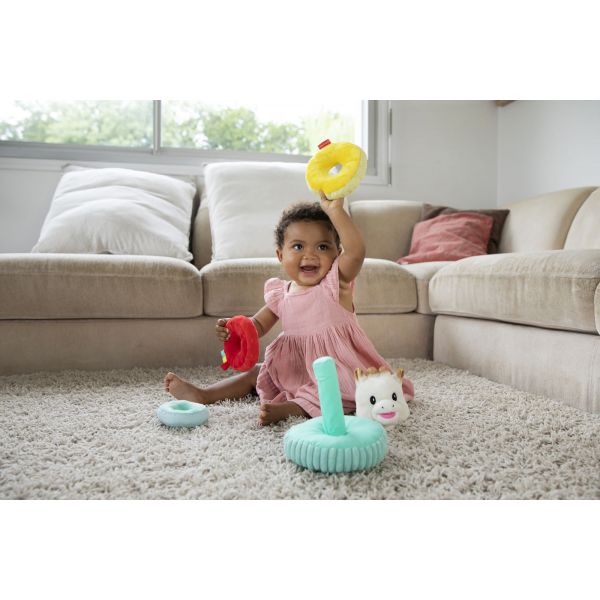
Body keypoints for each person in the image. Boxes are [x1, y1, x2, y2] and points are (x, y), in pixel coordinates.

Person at [164, 191, 414, 425]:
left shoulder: (336, 284)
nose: (310, 255)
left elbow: (356, 253)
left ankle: (288, 410)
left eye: (322, 247)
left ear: (337, 254)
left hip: (334, 368)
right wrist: (234, 331)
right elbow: (256, 325)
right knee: (259, 373)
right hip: (296, 367)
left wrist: (336, 211)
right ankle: (205, 394)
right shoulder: (280, 293)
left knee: (327, 393)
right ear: (280, 255)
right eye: (298, 246)